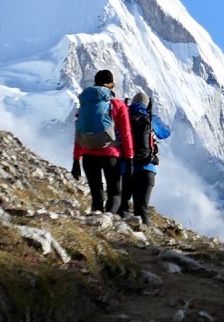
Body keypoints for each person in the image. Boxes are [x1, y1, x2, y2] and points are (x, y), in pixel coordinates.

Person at [71, 70, 133, 214]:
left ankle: (96, 225)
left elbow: (79, 131)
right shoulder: (117, 105)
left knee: (96, 195)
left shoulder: (85, 104)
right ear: (111, 84)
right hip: (110, 155)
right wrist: (129, 157)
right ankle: (108, 221)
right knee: (115, 193)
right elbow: (126, 133)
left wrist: (76, 160)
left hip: (88, 155)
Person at [117, 91, 170, 224]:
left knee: (122, 205)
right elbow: (166, 132)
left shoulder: (125, 116)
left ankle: (121, 233)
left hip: (126, 168)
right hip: (147, 169)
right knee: (142, 209)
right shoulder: (151, 118)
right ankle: (144, 240)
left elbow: (116, 135)